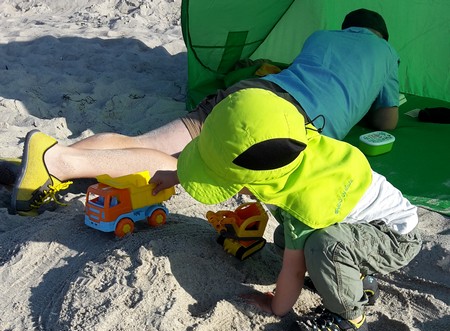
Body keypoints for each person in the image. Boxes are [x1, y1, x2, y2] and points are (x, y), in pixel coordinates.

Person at [10, 8, 400, 214]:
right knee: (182, 166)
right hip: (288, 126)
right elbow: (387, 120)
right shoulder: (386, 53)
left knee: (144, 142)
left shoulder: (322, 36)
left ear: (346, 28)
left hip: (252, 94)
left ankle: (47, 160)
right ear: (381, 35)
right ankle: (59, 162)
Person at [150, 87, 421, 331]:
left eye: (229, 184)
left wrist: (274, 305)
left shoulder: (304, 202)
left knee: (324, 247)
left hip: (393, 238)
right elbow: (215, 154)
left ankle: (349, 321)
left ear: (255, 181)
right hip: (359, 227)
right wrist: (178, 174)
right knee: (287, 239)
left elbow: (293, 271)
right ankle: (352, 280)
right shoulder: (290, 144)